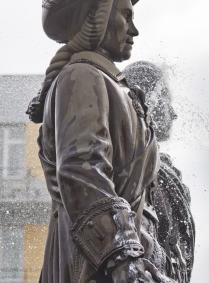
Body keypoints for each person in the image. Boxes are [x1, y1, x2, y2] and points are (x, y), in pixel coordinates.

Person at [26, 0, 174, 282]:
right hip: (102, 267)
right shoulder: (81, 75)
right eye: (126, 16)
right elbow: (82, 173)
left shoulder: (109, 84)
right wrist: (124, 260)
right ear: (97, 17)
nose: (134, 30)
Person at [123, 61, 195, 283]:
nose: (173, 113)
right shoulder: (133, 166)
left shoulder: (160, 170)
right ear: (147, 100)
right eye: (166, 99)